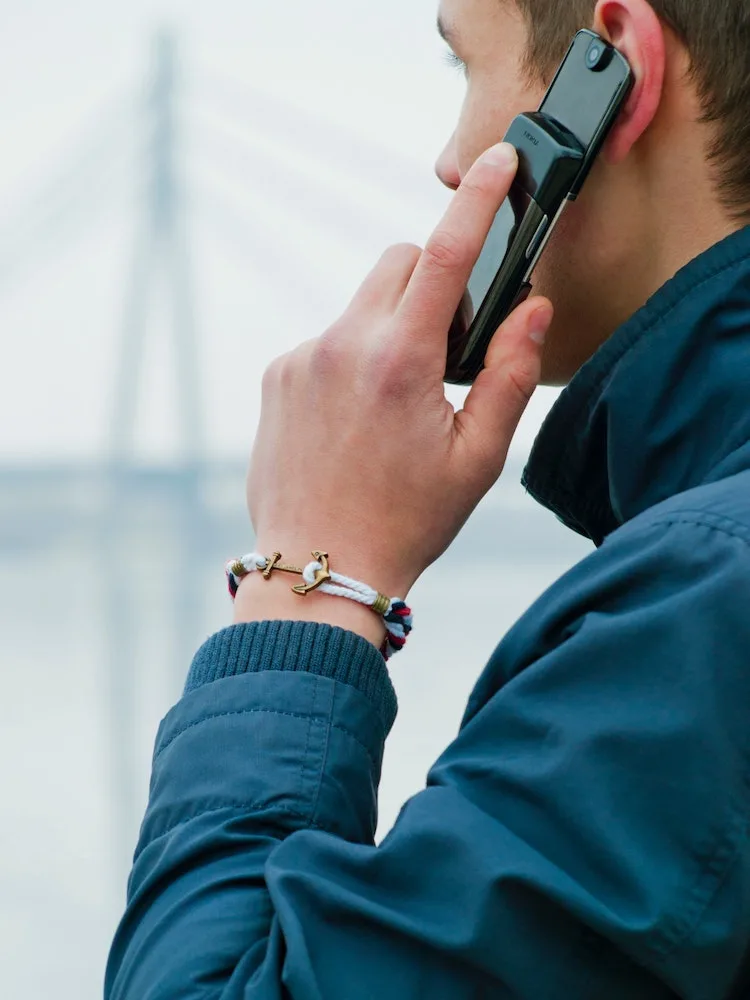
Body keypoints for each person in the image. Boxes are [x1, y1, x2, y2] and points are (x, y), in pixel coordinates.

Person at [105, 0, 750, 996]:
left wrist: (307, 579)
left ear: (611, 67)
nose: (451, 162)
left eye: (465, 70)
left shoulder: (705, 610)